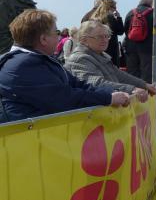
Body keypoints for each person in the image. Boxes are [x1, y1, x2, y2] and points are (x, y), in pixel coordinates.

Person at [0, 10, 131, 123]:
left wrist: (112, 92)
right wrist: (109, 98)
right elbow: (64, 98)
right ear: (43, 39)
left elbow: (77, 84)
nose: (59, 37)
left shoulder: (40, 59)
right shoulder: (22, 66)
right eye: (56, 32)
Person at [65, 20, 156, 102]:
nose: (105, 40)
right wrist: (132, 89)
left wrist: (144, 85)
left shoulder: (100, 55)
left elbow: (119, 75)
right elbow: (96, 83)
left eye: (107, 36)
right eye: (99, 37)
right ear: (84, 40)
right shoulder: (80, 59)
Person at [85, 0, 125, 67]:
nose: (116, 10)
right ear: (110, 7)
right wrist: (119, 17)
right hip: (110, 47)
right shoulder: (110, 17)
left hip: (96, 46)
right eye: (115, 8)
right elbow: (120, 31)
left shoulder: (94, 17)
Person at [124, 0, 154, 82]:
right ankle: (146, 90)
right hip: (147, 48)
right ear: (151, 3)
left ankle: (133, 89)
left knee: (132, 71)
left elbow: (126, 29)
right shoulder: (153, 13)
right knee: (147, 72)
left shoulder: (131, 12)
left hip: (131, 47)